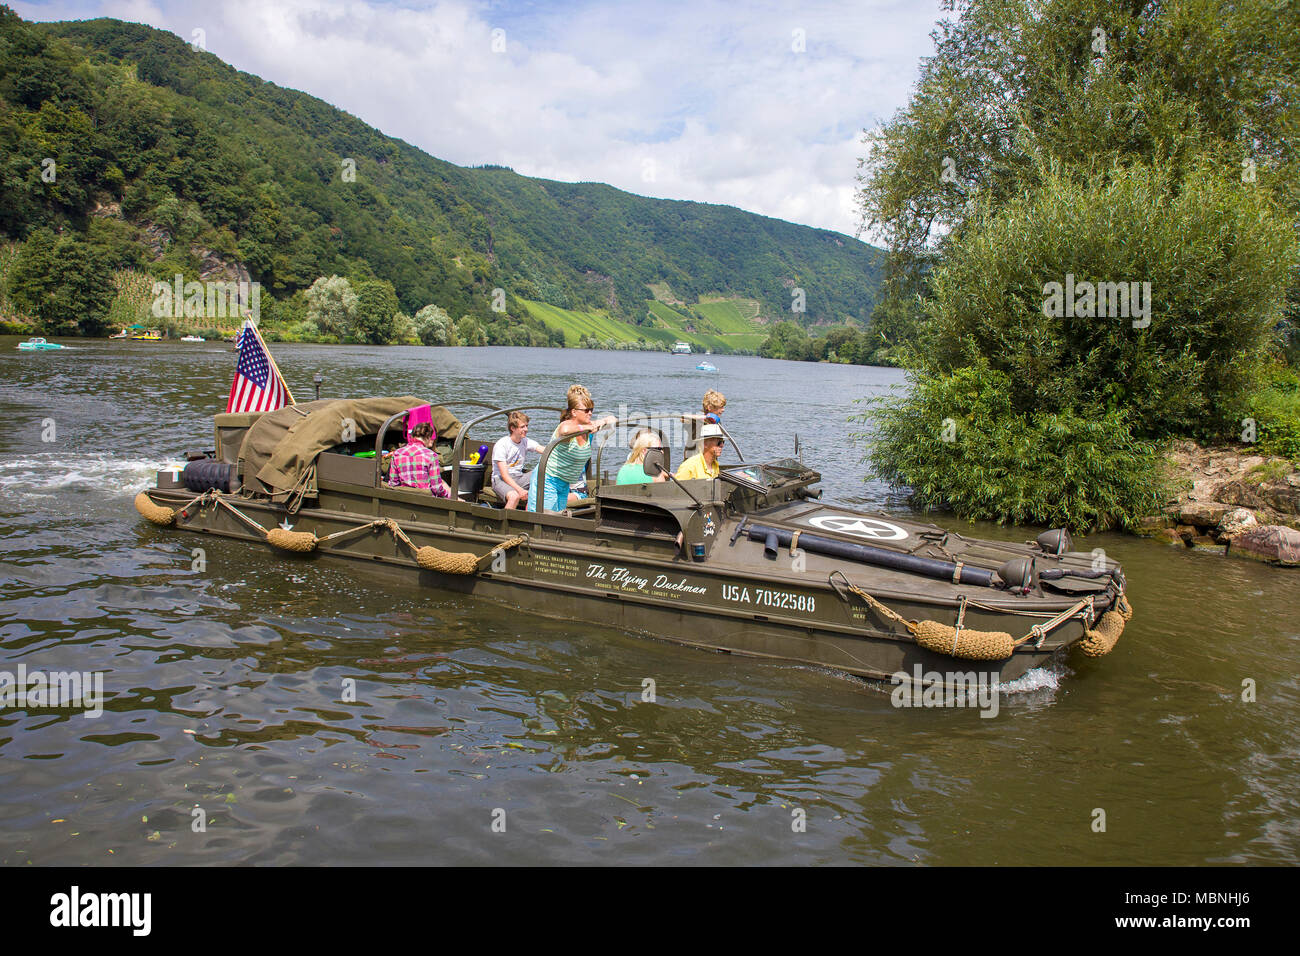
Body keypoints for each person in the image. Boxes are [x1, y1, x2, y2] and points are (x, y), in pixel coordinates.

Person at [528, 385, 617, 512]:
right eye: (586, 410)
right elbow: (564, 430)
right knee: (546, 517)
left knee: (559, 518)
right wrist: (586, 427)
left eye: (591, 409)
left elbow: (611, 420)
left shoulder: (590, 427)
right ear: (574, 412)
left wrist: (603, 421)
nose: (590, 413)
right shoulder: (568, 425)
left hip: (564, 482)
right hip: (548, 479)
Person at [492, 411, 544, 509]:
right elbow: (504, 475)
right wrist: (520, 490)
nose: (526, 429)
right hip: (501, 480)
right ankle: (505, 523)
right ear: (513, 428)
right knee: (514, 496)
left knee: (542, 472)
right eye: (522, 427)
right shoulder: (502, 445)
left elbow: (542, 449)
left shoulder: (525, 441)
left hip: (518, 478)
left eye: (527, 426)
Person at [388, 422, 451, 497]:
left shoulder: (397, 453)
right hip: (425, 499)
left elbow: (393, 483)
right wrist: (448, 495)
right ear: (428, 437)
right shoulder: (431, 455)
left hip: (404, 497)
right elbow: (436, 488)